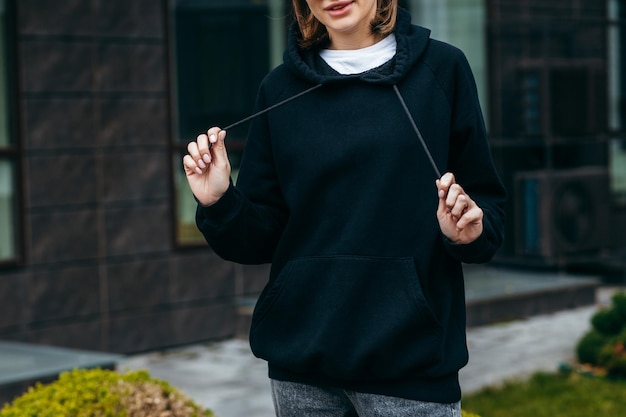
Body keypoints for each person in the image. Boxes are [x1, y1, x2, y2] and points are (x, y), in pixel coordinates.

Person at [183, 0, 506, 415]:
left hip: (410, 365)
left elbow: (488, 207)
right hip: (302, 366)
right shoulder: (279, 88)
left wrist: (468, 231)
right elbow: (259, 238)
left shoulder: (443, 70)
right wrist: (219, 200)